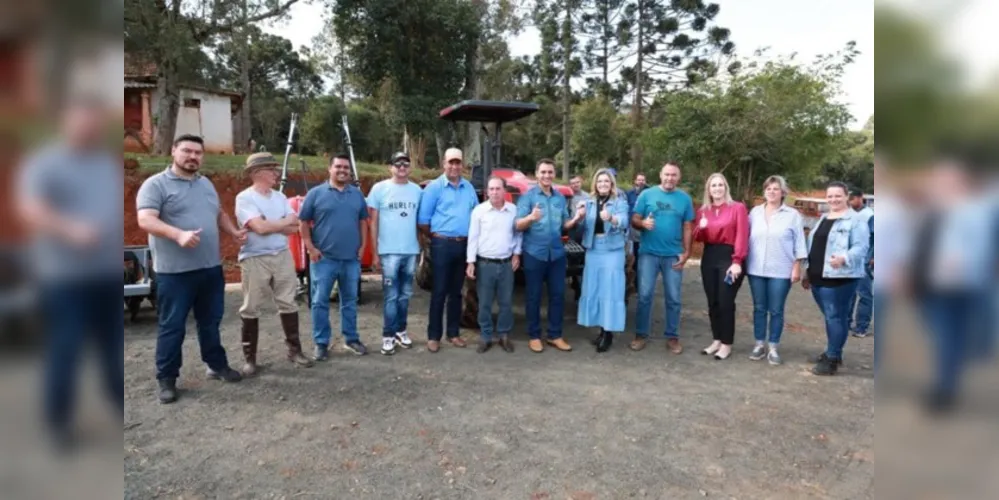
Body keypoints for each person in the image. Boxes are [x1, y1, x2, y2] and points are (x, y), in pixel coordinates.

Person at [15, 96, 124, 447]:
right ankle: (58, 422)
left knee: (112, 348)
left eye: (94, 122)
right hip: (64, 279)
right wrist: (69, 229)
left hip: (105, 276)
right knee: (67, 347)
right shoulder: (44, 163)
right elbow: (30, 209)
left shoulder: (106, 164)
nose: (88, 127)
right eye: (82, 121)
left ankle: (118, 404)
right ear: (65, 121)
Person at [136, 134, 248, 404]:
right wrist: (178, 235)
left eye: (198, 153)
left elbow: (218, 212)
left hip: (209, 269)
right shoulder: (156, 185)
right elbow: (145, 220)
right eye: (187, 151)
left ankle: (216, 365)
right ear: (173, 151)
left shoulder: (205, 183)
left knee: (210, 322)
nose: (193, 157)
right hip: (174, 273)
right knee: (172, 326)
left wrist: (232, 231)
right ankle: (167, 378)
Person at [234, 153, 315, 375]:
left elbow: (295, 225)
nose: (276, 174)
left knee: (288, 302)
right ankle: (250, 358)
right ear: (257, 173)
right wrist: (279, 224)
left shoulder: (280, 197)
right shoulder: (245, 198)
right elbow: (259, 228)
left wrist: (269, 224)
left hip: (281, 254)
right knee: (251, 306)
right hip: (254, 257)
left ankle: (294, 351)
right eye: (271, 170)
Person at [299, 153, 369, 360]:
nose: (342, 170)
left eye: (346, 168)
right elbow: (303, 222)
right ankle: (321, 343)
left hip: (350, 260)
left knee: (349, 300)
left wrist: (363, 246)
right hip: (324, 260)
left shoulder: (356, 195)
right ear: (329, 169)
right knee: (320, 301)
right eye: (338, 166)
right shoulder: (315, 194)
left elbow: (364, 221)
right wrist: (310, 247)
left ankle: (351, 338)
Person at [515, 158, 586, 353]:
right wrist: (530, 217)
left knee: (557, 295)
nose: (547, 176)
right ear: (537, 174)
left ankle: (555, 335)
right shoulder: (528, 198)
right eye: (543, 172)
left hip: (556, 253)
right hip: (534, 254)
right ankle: (534, 335)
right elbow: (517, 225)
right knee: (534, 296)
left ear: (554, 175)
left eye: (550, 172)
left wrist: (577, 219)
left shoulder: (559, 199)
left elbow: (564, 226)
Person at [802, 182, 871, 376]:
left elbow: (861, 248)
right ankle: (834, 351)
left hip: (840, 277)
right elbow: (813, 246)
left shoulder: (855, 220)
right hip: (818, 276)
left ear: (846, 196)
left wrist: (844, 258)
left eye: (838, 196)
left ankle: (832, 358)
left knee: (835, 317)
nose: (833, 199)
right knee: (833, 317)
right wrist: (807, 272)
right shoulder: (824, 217)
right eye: (830, 196)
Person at [417, 148, 479, 353]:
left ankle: (453, 333)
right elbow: (424, 221)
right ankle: (434, 336)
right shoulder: (434, 188)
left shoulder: (468, 188)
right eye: (450, 162)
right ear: (443, 163)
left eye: (458, 163)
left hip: (463, 244)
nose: (454, 166)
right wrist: (438, 237)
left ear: (463, 165)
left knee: (457, 292)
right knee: (439, 291)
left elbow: (476, 216)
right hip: (442, 243)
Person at [631, 162, 695, 355]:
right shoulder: (646, 195)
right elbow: (634, 219)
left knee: (674, 298)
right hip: (648, 253)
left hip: (673, 255)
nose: (670, 178)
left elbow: (687, 226)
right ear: (660, 175)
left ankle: (672, 336)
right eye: (666, 174)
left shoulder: (684, 198)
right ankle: (641, 334)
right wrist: (642, 223)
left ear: (679, 177)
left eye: (673, 175)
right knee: (644, 296)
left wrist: (687, 252)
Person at [745, 175, 807, 366]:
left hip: (781, 270)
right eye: (768, 188)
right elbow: (745, 237)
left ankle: (773, 347)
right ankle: (759, 344)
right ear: (764, 192)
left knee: (776, 310)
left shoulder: (792, 215)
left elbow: (799, 242)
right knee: (759, 308)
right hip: (756, 269)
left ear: (783, 193)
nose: (772, 192)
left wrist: (797, 266)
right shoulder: (754, 212)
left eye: (776, 189)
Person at [367, 153, 422, 356]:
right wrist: (375, 253)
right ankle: (388, 335)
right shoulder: (379, 189)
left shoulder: (417, 191)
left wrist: (420, 249)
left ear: (410, 167)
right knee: (391, 296)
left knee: (405, 295)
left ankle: (401, 330)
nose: (401, 167)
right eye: (397, 163)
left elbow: (418, 221)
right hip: (389, 252)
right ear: (390, 167)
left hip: (410, 251)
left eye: (405, 163)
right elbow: (373, 222)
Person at [693, 173, 749, 361]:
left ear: (726, 187)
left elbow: (742, 235)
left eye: (720, 185)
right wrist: (700, 228)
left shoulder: (737, 208)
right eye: (713, 185)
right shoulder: (703, 211)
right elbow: (698, 238)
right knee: (713, 301)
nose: (717, 188)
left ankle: (727, 343)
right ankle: (716, 339)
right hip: (710, 255)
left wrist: (737, 261)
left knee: (725, 301)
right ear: (708, 190)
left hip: (729, 256)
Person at [576, 169, 630, 353]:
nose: (603, 184)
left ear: (612, 184)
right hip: (593, 249)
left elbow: (624, 221)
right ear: (595, 184)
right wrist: (580, 216)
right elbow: (583, 228)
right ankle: (600, 329)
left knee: (611, 290)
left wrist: (612, 218)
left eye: (606, 181)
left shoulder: (619, 201)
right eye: (600, 182)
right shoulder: (589, 202)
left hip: (612, 250)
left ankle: (608, 333)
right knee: (596, 289)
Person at [466, 177, 522, 353]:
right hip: (485, 264)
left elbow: (518, 235)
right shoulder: (479, 211)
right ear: (486, 191)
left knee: (506, 302)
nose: (495, 192)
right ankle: (486, 335)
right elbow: (473, 237)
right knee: (484, 303)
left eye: (498, 188)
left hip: (506, 264)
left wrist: (517, 254)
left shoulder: (513, 210)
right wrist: (470, 261)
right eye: (491, 189)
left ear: (505, 190)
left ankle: (504, 335)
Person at [848, 188, 875, 338]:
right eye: (849, 199)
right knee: (849, 293)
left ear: (860, 198)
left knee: (864, 294)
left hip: (865, 261)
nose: (850, 202)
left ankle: (861, 327)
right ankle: (846, 323)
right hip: (850, 260)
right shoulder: (849, 213)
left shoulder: (869, 215)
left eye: (852, 199)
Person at [567, 175, 591, 244]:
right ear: (569, 185)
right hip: (571, 225)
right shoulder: (566, 196)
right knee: (572, 246)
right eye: (573, 183)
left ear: (581, 182)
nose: (576, 185)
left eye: (577, 182)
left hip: (584, 226)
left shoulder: (588, 196)